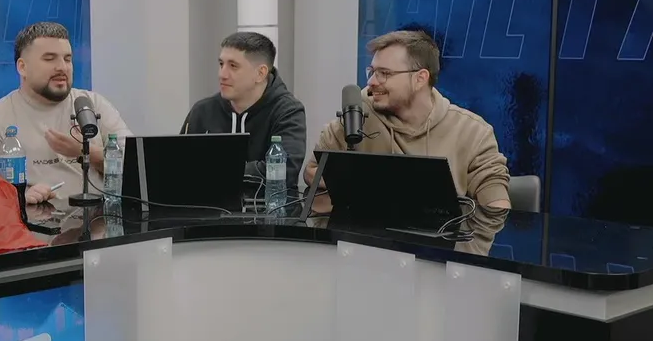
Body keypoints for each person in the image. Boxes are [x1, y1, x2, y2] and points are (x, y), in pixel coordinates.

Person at [303, 29, 511, 210]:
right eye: (372, 71)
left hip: (441, 239)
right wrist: (374, 188)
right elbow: (312, 172)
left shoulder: (473, 131)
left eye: (384, 73)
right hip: (370, 238)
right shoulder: (357, 115)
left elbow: (496, 202)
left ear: (420, 78)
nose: (371, 81)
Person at [0, 22, 132, 204]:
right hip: (31, 220)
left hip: (99, 217)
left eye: (67, 59)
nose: (62, 67)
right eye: (49, 59)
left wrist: (86, 152)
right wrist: (18, 198)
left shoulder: (93, 104)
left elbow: (138, 168)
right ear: (22, 67)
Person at [181, 32, 307, 195]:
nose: (222, 74)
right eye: (221, 64)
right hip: (207, 208)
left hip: (268, 209)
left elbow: (283, 171)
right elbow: (181, 167)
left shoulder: (288, 111)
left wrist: (213, 170)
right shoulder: (202, 111)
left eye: (233, 66)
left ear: (260, 73)